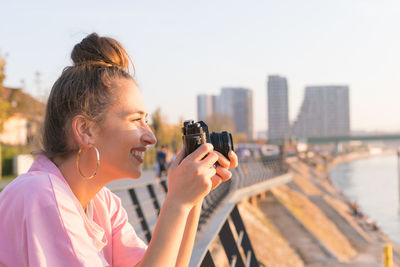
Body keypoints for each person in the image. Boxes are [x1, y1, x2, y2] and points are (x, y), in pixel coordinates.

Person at [0, 33, 238, 267]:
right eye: (136, 120)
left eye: (147, 120)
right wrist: (176, 202)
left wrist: (192, 198)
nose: (151, 137)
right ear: (86, 130)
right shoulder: (41, 197)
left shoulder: (103, 203)